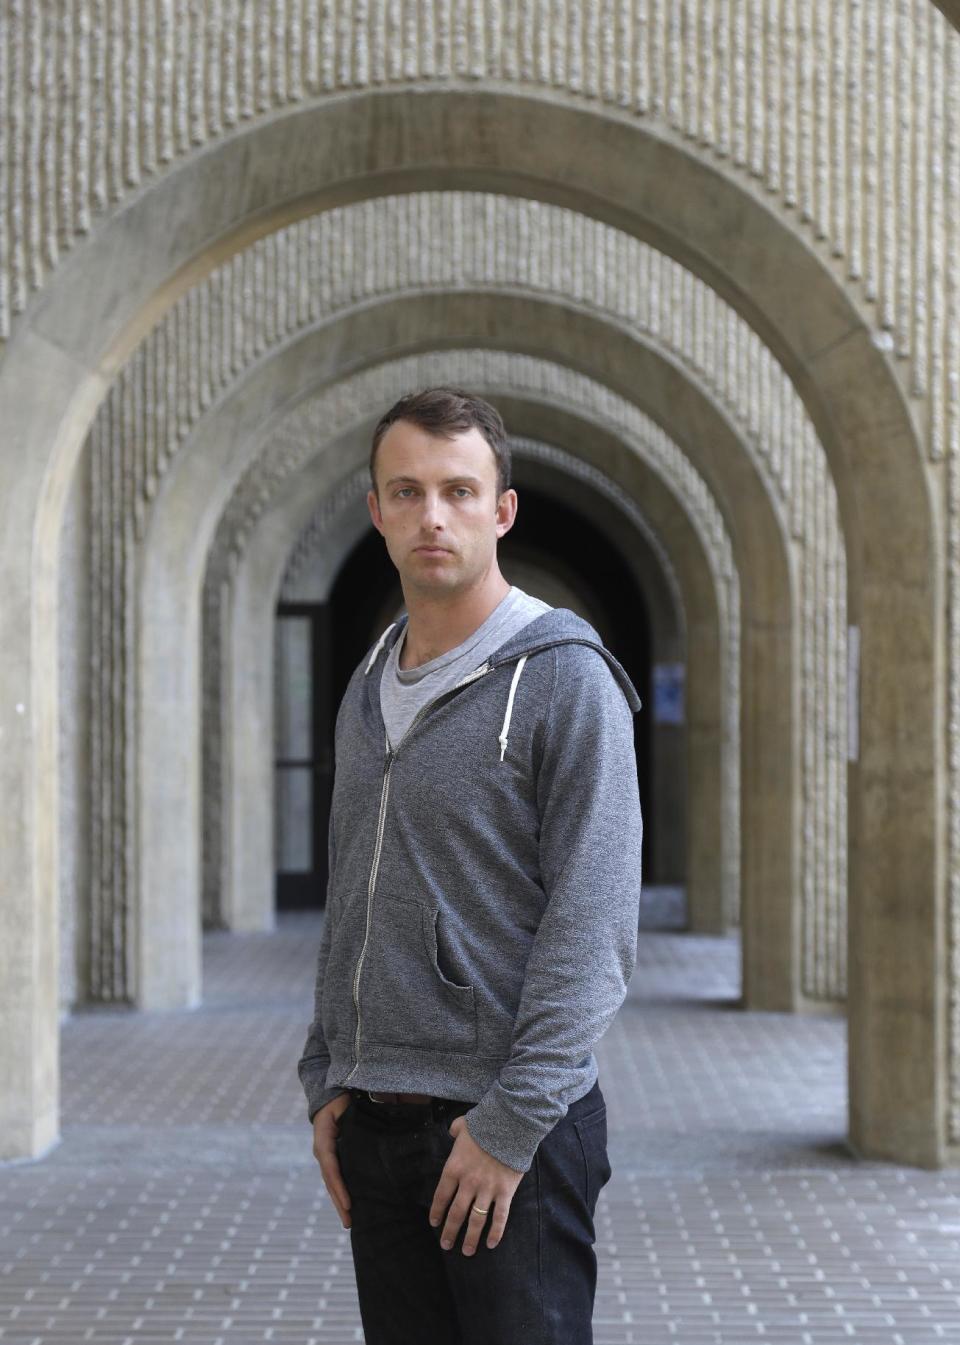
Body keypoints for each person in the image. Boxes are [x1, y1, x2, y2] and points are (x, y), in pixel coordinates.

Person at [298, 387, 643, 1345]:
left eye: (458, 489)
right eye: (405, 492)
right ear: (375, 511)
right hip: (375, 1122)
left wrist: (511, 1127)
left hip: (506, 1133)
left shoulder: (566, 680)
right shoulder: (370, 684)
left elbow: (596, 922)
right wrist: (328, 1077)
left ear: (503, 509)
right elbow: (351, 888)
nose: (432, 515)